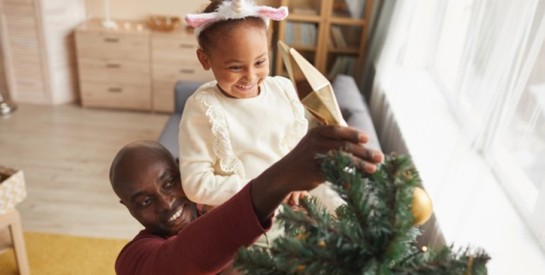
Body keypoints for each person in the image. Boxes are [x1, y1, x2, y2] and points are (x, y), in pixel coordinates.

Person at [109, 125, 384, 275]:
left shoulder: (223, 205)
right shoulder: (133, 260)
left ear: (184, 171)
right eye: (144, 201)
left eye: (169, 183)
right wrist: (281, 178)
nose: (166, 203)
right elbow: (187, 257)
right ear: (128, 208)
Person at [181, 0, 308, 245]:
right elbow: (196, 184)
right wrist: (267, 189)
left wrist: (300, 186)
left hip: (293, 217)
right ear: (204, 59)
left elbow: (299, 154)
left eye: (260, 62)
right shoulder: (203, 108)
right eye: (235, 67)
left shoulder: (282, 89)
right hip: (238, 225)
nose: (250, 76)